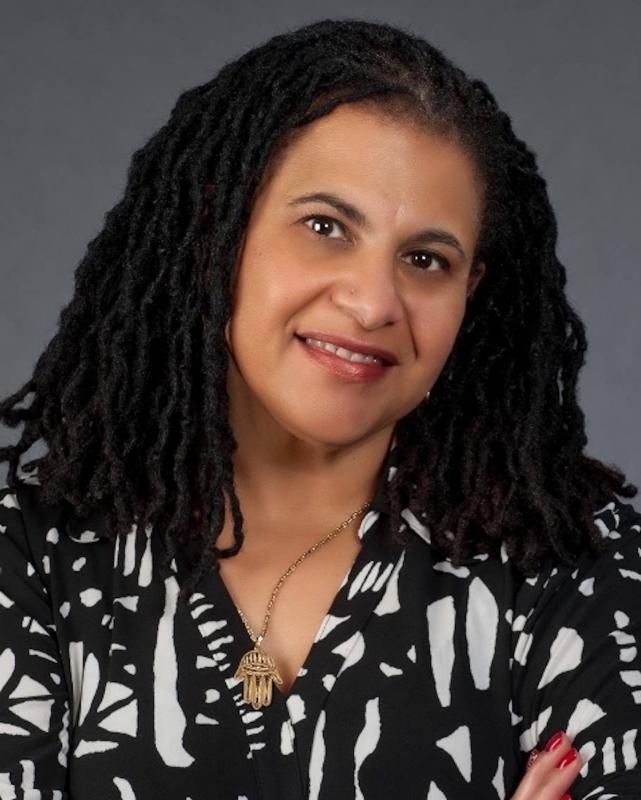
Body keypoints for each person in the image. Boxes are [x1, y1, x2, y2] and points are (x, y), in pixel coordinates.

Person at [0, 16, 638, 800]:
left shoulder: (576, 559)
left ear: (468, 293)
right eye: (325, 227)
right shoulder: (31, 555)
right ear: (217, 228)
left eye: (425, 260)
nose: (374, 303)